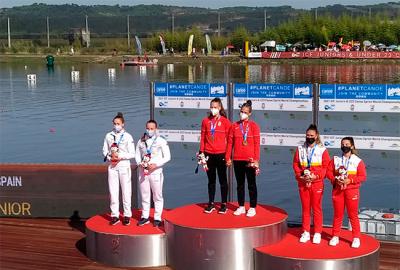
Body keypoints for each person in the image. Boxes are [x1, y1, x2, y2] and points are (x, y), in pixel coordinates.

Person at [326, 137, 367, 248]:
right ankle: (335, 236)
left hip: (352, 191)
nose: (344, 146)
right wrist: (335, 179)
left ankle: (356, 238)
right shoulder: (335, 159)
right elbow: (328, 172)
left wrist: (350, 180)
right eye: (343, 144)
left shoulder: (357, 161)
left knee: (353, 215)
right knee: (338, 215)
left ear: (352, 146)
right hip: (338, 190)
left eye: (347, 144)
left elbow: (363, 176)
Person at [292, 124, 330, 244]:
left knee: (317, 208)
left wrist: (316, 176)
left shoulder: (322, 150)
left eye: (312, 135)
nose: (309, 137)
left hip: (317, 183)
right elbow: (295, 164)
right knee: (305, 209)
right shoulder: (300, 149)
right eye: (307, 135)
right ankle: (306, 232)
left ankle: (318, 232)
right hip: (303, 182)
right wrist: (300, 175)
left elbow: (326, 167)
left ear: (316, 136)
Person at [226, 100, 260, 217]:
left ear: (249, 113)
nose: (242, 114)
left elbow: (257, 144)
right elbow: (230, 143)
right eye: (241, 111)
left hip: (250, 160)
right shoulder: (234, 126)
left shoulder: (254, 126)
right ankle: (241, 206)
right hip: (237, 159)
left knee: (251, 184)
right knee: (240, 184)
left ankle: (252, 207)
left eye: (245, 112)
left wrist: (256, 160)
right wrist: (228, 157)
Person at [135, 120, 171, 227]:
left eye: (152, 129)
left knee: (157, 196)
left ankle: (157, 218)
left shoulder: (161, 141)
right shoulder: (141, 141)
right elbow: (137, 154)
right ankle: (145, 216)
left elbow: (168, 157)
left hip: (155, 172)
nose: (149, 130)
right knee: (144, 195)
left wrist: (156, 165)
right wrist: (139, 163)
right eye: (148, 128)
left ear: (156, 129)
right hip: (143, 171)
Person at [102, 112, 135, 226]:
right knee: (113, 191)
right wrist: (110, 157)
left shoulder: (127, 136)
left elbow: (132, 153)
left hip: (123, 166)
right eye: (115, 123)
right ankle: (114, 215)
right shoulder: (108, 136)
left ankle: (127, 215)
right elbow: (104, 150)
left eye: (118, 123)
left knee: (126, 191)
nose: (116, 125)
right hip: (112, 166)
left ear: (123, 124)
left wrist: (120, 157)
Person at [200, 98, 231, 214]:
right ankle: (211, 203)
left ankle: (224, 204)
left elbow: (230, 141)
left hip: (221, 154)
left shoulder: (226, 122)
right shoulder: (205, 121)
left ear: (220, 108)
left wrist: (228, 156)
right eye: (211, 107)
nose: (213, 109)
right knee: (211, 180)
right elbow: (203, 138)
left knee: (223, 180)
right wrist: (201, 153)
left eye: (215, 107)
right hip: (208, 154)